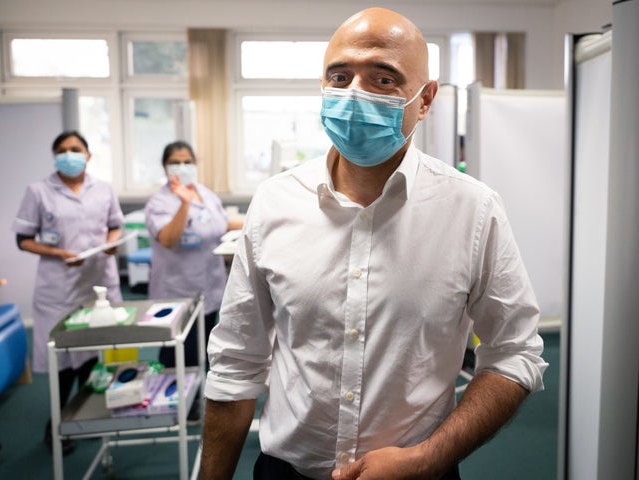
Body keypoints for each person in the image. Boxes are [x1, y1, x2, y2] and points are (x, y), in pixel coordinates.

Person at [200, 8, 547, 480]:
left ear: (424, 101)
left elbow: (515, 352)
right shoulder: (274, 202)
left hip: (421, 471)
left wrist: (428, 457)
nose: (354, 94)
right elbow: (236, 361)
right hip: (287, 471)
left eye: (383, 80)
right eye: (339, 77)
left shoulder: (472, 211)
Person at [12, 130, 124, 455]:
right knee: (61, 358)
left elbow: (115, 224)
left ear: (88, 155)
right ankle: (57, 424)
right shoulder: (38, 191)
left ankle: (82, 416)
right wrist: (60, 254)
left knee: (90, 353)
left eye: (76, 149)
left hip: (97, 280)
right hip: (57, 286)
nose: (69, 154)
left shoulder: (103, 189)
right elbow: (22, 239)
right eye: (62, 150)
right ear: (54, 157)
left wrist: (111, 244)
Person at [144, 140, 242, 373]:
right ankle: (179, 406)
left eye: (187, 162)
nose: (182, 167)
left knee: (206, 350)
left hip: (209, 287)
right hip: (177, 292)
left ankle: (200, 403)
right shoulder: (159, 201)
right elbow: (168, 238)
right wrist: (184, 204)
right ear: (164, 167)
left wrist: (261, 219)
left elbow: (221, 223)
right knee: (178, 356)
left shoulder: (205, 194)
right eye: (175, 163)